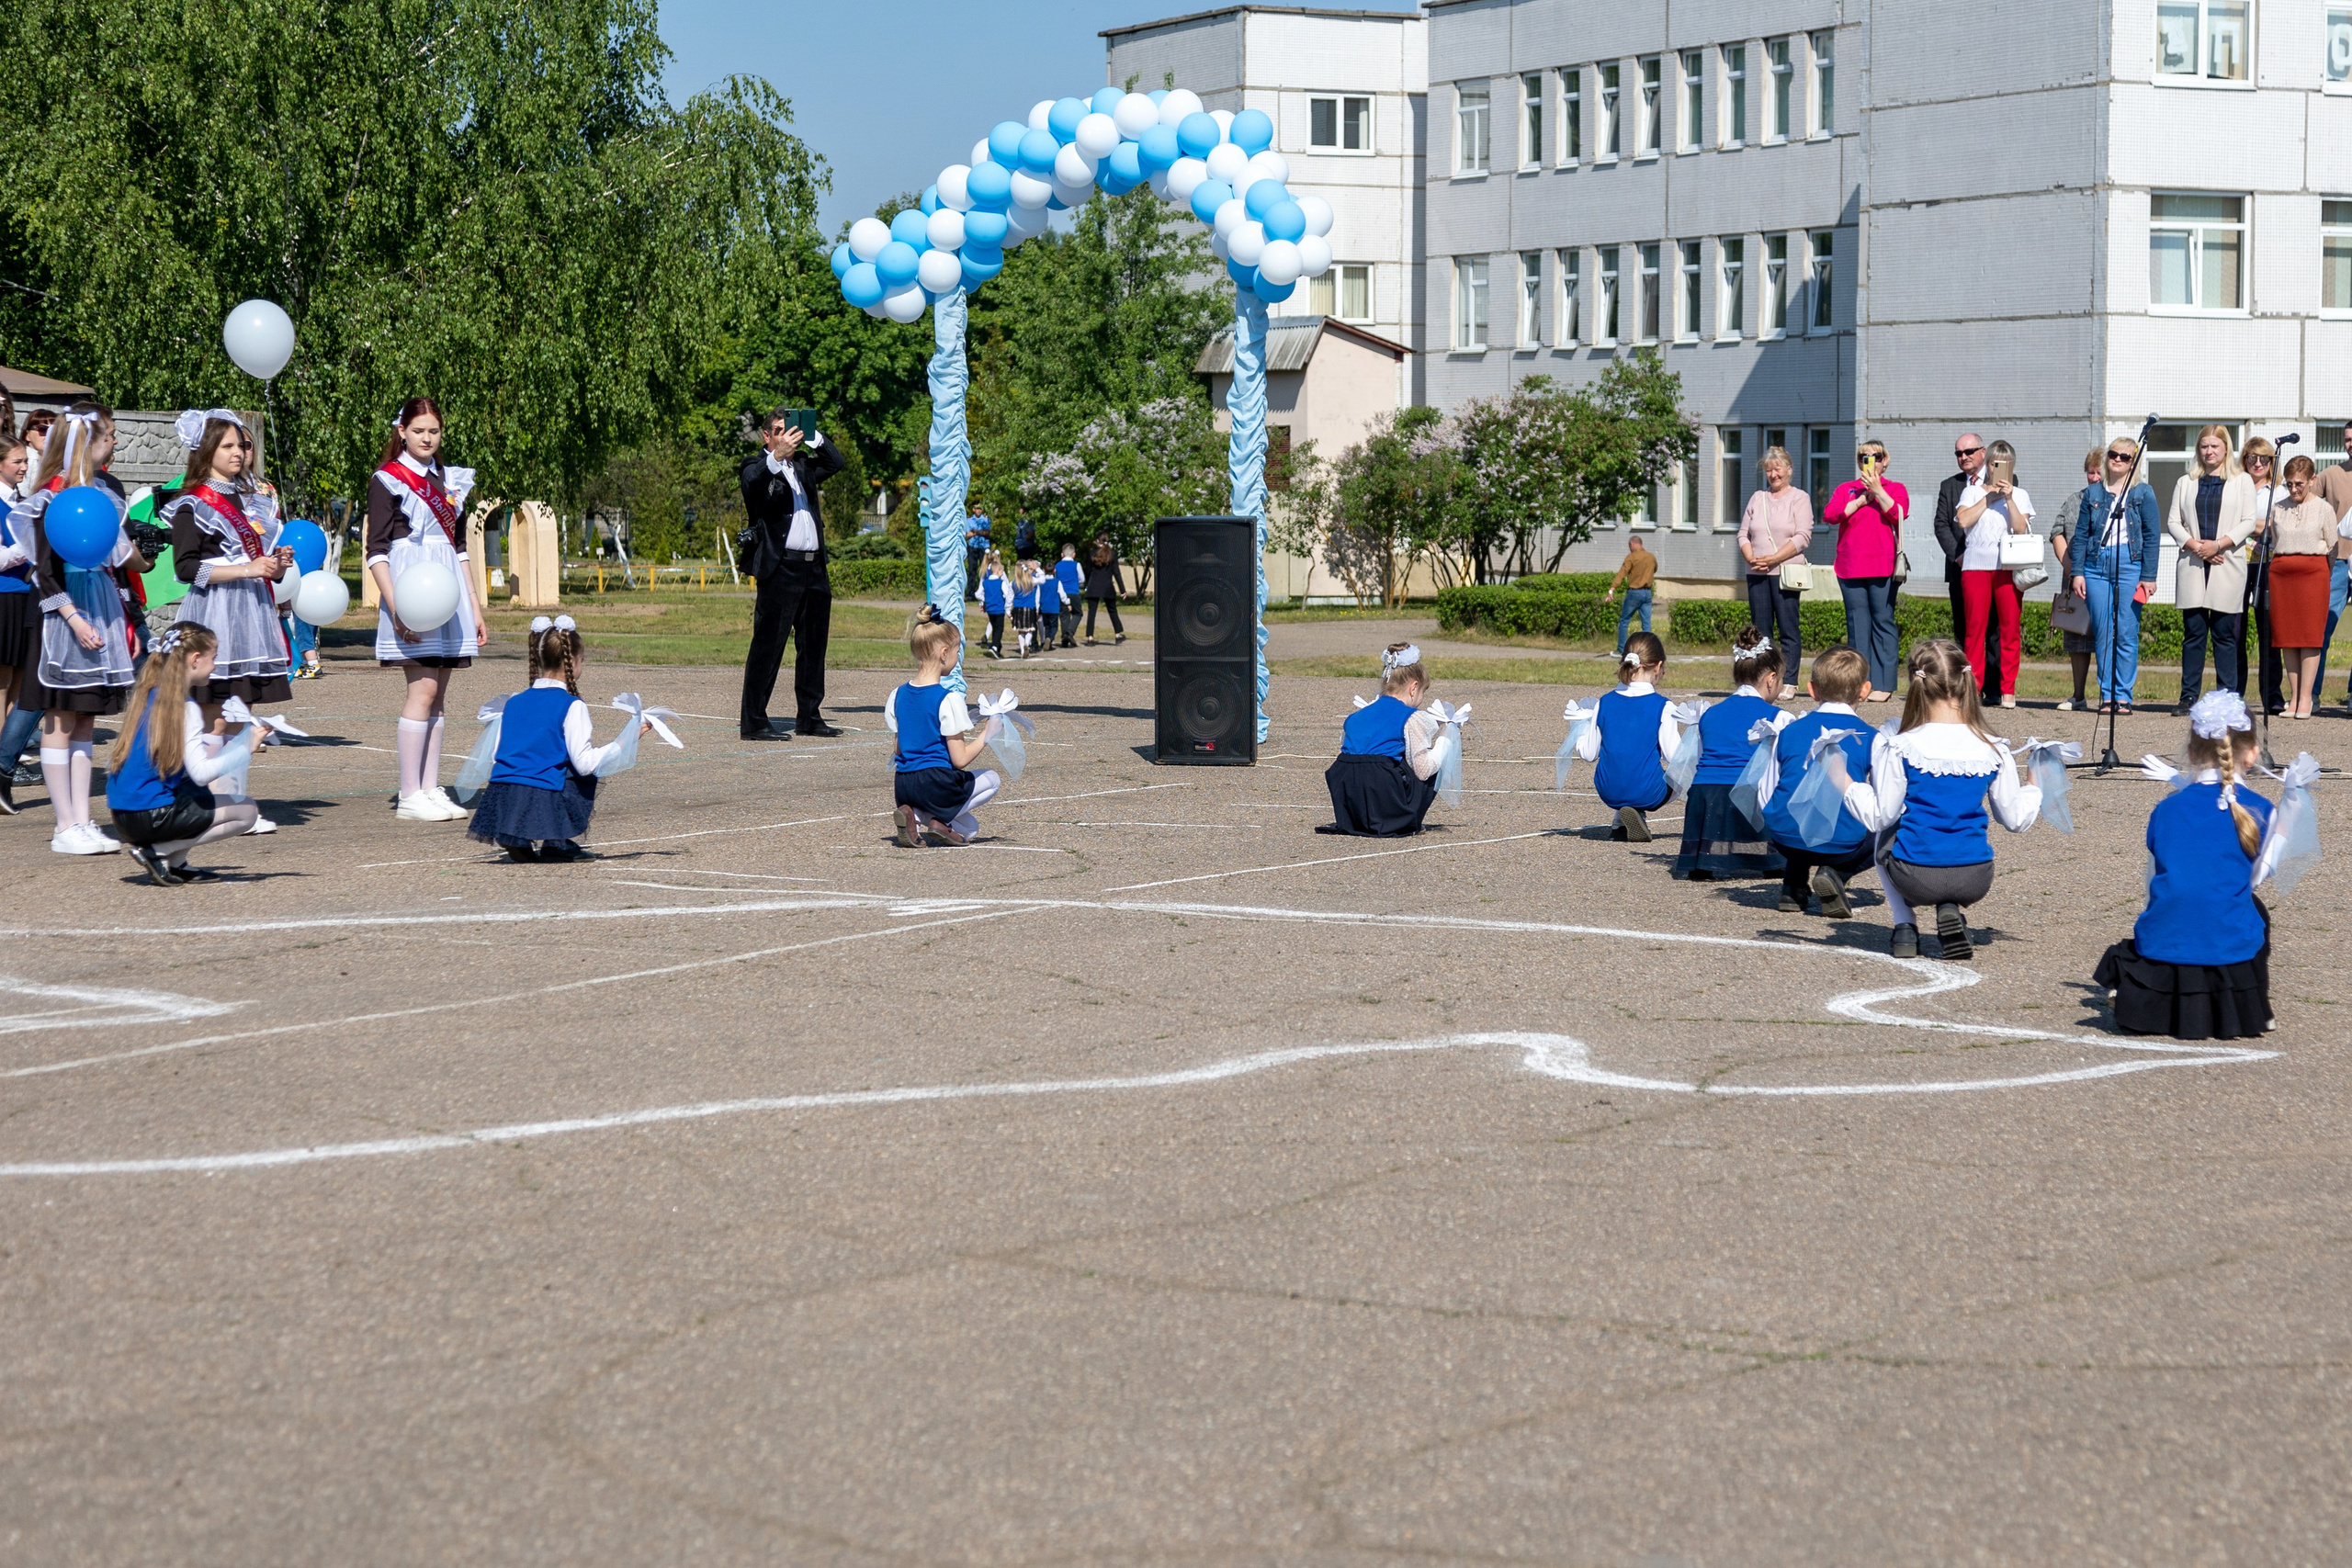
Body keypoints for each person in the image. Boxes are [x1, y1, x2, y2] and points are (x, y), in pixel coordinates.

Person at [1838, 638, 2041, 961]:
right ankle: (1950, 908)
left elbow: (1880, 815)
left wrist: (1844, 781)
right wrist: (2034, 785)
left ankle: (1904, 925)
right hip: (1976, 877)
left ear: (1917, 684)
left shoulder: (1902, 746)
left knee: (1886, 832)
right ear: (1966, 682)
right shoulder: (1994, 747)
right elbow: (2015, 820)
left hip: (1915, 878)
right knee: (1949, 839)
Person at [2092, 692, 2272, 1040]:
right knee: (2256, 912)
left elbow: (2152, 886)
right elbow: (2250, 881)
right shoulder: (2261, 809)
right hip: (2225, 945)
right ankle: (2255, 1006)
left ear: (2191, 752)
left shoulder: (2165, 810)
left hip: (2165, 940)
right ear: (2251, 754)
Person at [17, 405, 137, 854]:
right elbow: (44, 571)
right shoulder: (52, 496)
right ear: (88, 443)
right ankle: (63, 823)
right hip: (59, 619)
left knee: (86, 717)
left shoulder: (101, 495)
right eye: (109, 436)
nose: (116, 443)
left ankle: (84, 820)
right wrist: (74, 619)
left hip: (97, 607)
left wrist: (122, 618)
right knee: (60, 718)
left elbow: (112, 562)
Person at [368, 397, 485, 821]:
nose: (427, 438)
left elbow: (458, 547)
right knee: (422, 691)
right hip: (411, 590)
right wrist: (397, 607)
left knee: (439, 696)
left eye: (433, 431)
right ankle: (408, 794)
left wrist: (473, 604)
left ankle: (431, 787)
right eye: (418, 431)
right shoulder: (388, 479)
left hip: (448, 591)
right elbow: (375, 551)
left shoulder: (450, 480)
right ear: (401, 431)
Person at [466, 623, 649, 863]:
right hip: (541, 793)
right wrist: (627, 739)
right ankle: (557, 840)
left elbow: (498, 753)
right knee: (580, 770)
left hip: (501, 792)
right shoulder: (572, 705)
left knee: (547, 757)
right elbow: (585, 764)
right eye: (582, 660)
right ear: (572, 661)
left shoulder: (513, 701)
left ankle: (515, 834)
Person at [101, 626, 267, 885]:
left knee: (193, 790)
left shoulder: (148, 693)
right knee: (246, 811)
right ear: (194, 659)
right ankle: (158, 852)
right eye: (213, 657)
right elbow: (202, 774)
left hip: (123, 815)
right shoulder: (185, 707)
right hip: (149, 817)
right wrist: (245, 747)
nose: (214, 665)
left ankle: (177, 865)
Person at [737, 406, 847, 741]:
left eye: (792, 430)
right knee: (768, 646)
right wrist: (775, 458)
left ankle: (809, 716)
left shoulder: (802, 466)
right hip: (780, 567)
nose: (788, 436)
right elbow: (752, 484)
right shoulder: (756, 466)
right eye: (782, 430)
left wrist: (812, 437)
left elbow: (835, 463)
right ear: (767, 435)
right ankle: (754, 720)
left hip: (814, 568)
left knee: (814, 646)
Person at [1762, 645, 1880, 919]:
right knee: (1894, 818)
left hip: (1783, 836)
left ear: (1812, 690)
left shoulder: (1787, 732)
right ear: (1865, 690)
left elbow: (1766, 790)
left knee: (1800, 802)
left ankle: (1793, 883)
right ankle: (1836, 874)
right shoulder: (1873, 737)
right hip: (1841, 844)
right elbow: (1886, 799)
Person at [1671, 626, 1787, 882]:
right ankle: (1770, 859)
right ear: (1771, 678)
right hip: (1749, 799)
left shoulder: (1709, 714)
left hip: (1704, 799)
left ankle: (1703, 859)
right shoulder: (1779, 717)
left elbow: (1698, 763)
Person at [887, 604, 1002, 847]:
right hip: (936, 784)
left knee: (970, 830)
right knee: (992, 779)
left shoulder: (896, 695)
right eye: (957, 651)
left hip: (904, 786)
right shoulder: (948, 698)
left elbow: (899, 749)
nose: (958, 657)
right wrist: (987, 734)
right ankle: (924, 817)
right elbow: (959, 760)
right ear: (943, 653)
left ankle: (915, 814)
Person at [1321, 643, 1459, 838]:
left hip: (1349, 806)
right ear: (1414, 687)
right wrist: (1445, 738)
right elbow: (1423, 769)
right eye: (1422, 694)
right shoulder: (1411, 717)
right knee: (1431, 762)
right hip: (1384, 796)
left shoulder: (1356, 716)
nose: (1421, 700)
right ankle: (1406, 821)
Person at [2166, 423, 2257, 712]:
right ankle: (2188, 696)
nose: (2209, 451)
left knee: (2224, 634)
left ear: (2226, 449)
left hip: (2225, 562)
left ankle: (2227, 699)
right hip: (2194, 563)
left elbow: (2248, 521)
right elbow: (2172, 522)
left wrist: (2218, 545)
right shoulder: (2186, 482)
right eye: (2204, 446)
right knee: (2193, 634)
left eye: (2214, 446)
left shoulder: (2242, 481)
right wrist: (2198, 547)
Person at [2070, 435, 2163, 716]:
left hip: (2130, 565)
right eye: (2114, 455)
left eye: (2125, 457)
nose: (2118, 460)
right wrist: (2077, 572)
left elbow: (2151, 536)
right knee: (2103, 633)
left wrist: (2148, 575)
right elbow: (2081, 536)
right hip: (2097, 566)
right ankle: (2107, 695)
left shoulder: (2143, 493)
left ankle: (2123, 696)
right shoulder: (2094, 494)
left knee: (2126, 631)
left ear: (2134, 462)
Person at [1572, 631, 1685, 842]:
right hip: (1649, 793)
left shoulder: (1603, 702)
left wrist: (1580, 727)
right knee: (1683, 772)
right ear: (1658, 667)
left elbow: (1588, 754)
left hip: (1608, 790)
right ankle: (1637, 811)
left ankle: (1620, 821)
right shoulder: (1664, 706)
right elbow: (1676, 757)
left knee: (1628, 766)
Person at [1822, 439, 1907, 699]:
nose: (1871, 460)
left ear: (1885, 461)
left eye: (1877, 456)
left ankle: (1883, 684)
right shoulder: (1846, 489)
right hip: (1850, 566)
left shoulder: (1895, 488)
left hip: (1883, 565)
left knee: (1883, 622)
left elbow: (1898, 513)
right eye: (1864, 457)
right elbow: (1830, 514)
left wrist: (1879, 491)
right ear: (1859, 462)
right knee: (1858, 626)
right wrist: (1859, 501)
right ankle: (1861, 682)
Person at [1953, 438, 2035, 709]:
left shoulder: (2020, 494)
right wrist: (1988, 499)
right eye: (1994, 463)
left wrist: (2009, 499)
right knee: (1974, 629)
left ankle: (2007, 690)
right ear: (1988, 464)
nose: (1998, 468)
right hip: (1976, 565)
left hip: (2007, 567)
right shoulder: (1972, 491)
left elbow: (2021, 529)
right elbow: (1963, 521)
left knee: (2010, 629)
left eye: (2005, 464)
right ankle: (1973, 688)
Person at [2263, 455, 2335, 720]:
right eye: (2289, 484)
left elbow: (2331, 544)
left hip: (2313, 575)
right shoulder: (2278, 507)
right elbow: (2273, 539)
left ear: (2312, 481)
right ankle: (2293, 697)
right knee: (2287, 638)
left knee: (2310, 638)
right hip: (2282, 575)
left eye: (2299, 484)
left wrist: (2321, 573)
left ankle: (2306, 699)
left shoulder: (2324, 508)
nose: (2294, 490)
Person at [1933, 432, 2002, 705]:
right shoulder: (1949, 486)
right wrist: (1960, 556)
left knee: (1994, 630)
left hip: (1995, 568)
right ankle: (1967, 689)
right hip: (1962, 569)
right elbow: (1941, 525)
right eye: (1959, 453)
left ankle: (1994, 690)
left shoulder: (2002, 479)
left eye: (1969, 452)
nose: (1964, 457)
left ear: (1983, 452)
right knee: (1965, 630)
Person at [1737, 446, 1812, 686]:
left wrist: (1775, 558)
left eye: (1777, 469)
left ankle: (1789, 681)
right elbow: (1743, 534)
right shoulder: (1757, 498)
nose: (1773, 474)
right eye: (1769, 470)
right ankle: (1766, 680)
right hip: (1756, 573)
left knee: (1788, 629)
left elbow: (1803, 536)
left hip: (1785, 573)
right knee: (1761, 633)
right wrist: (1751, 557)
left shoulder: (1799, 498)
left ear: (1789, 470)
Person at [2048, 448, 2103, 711]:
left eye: (2098, 472)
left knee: (2107, 637)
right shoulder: (2074, 500)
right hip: (2075, 577)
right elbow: (2057, 532)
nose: (2094, 477)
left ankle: (2111, 696)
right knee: (2077, 638)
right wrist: (2068, 565)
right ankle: (2078, 695)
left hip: (2106, 576)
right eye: (2090, 472)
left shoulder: (2120, 501)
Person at [2237, 436, 2286, 717]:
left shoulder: (2278, 492)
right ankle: (2235, 694)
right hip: (2237, 563)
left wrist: (2249, 525)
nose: (2257, 463)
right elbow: (2233, 521)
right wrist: (2259, 525)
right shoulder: (2236, 487)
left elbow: (2278, 524)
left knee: (2268, 631)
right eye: (2251, 458)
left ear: (2271, 462)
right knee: (2235, 631)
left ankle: (2272, 695)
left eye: (2263, 458)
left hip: (2268, 563)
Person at [2307, 418, 2352, 709]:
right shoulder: (2332, 474)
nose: (2351, 444)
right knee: (2321, 629)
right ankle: (2311, 694)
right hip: (2336, 562)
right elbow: (2306, 502)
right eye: (2347, 439)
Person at [0, 437, 32, 814]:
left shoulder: (23, 503)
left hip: (26, 596)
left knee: (23, 682)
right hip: (4, 596)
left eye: (25, 461)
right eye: (17, 461)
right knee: (4, 683)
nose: (24, 467)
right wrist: (29, 543)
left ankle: (8, 761)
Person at [1604, 535, 1657, 654]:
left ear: (1632, 544)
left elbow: (1622, 574)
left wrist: (1612, 589)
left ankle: (1622, 649)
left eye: (1629, 546)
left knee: (1624, 621)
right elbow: (1655, 569)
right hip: (1647, 593)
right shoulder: (1651, 557)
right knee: (1646, 623)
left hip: (1634, 593)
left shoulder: (1631, 557)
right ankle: (1648, 650)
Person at [1083, 536, 1125, 646]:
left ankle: (1090, 637)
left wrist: (1087, 583)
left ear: (1097, 541)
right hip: (1107, 586)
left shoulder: (1092, 553)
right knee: (1112, 610)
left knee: (1092, 612)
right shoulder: (1112, 554)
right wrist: (1122, 590)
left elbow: (1088, 571)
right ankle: (1117, 634)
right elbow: (1117, 573)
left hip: (1094, 585)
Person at [977, 548, 1009, 659]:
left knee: (994, 625)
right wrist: (1008, 603)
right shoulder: (1001, 580)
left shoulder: (984, 575)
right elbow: (1007, 591)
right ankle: (994, 647)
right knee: (999, 628)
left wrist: (983, 601)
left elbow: (978, 592)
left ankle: (996, 646)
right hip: (999, 607)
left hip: (989, 607)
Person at [1054, 544, 1083, 648]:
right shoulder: (1076, 565)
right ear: (1074, 554)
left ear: (1062, 554)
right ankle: (1069, 633)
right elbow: (1082, 579)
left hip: (1062, 593)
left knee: (1064, 615)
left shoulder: (1057, 566)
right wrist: (1076, 582)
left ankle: (1064, 640)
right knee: (1078, 613)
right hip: (1074, 592)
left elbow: (1056, 578)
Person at [1032, 557, 1063, 651]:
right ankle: (1050, 639)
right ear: (1054, 570)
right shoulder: (1057, 582)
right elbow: (1062, 594)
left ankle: (1046, 640)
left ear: (1043, 570)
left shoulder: (1041, 583)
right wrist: (1067, 602)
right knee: (1054, 626)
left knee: (1047, 626)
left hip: (1044, 607)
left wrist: (1038, 607)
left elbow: (1038, 595)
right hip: (1054, 608)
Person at [1010, 559, 1039, 658]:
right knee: (1030, 630)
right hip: (1029, 608)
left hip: (1017, 609)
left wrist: (1007, 610)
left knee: (1020, 631)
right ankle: (1027, 643)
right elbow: (1043, 580)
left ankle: (1022, 650)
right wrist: (1037, 569)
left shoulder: (1013, 583)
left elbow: (1009, 597)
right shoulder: (1032, 581)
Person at [964, 511, 992, 600]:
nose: (979, 510)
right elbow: (967, 534)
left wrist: (975, 531)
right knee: (972, 570)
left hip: (984, 547)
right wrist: (980, 532)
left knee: (985, 570)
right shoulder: (969, 520)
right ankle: (971, 593)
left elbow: (987, 532)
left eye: (980, 508)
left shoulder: (986, 519)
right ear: (973, 509)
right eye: (977, 508)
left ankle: (985, 593)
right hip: (973, 547)